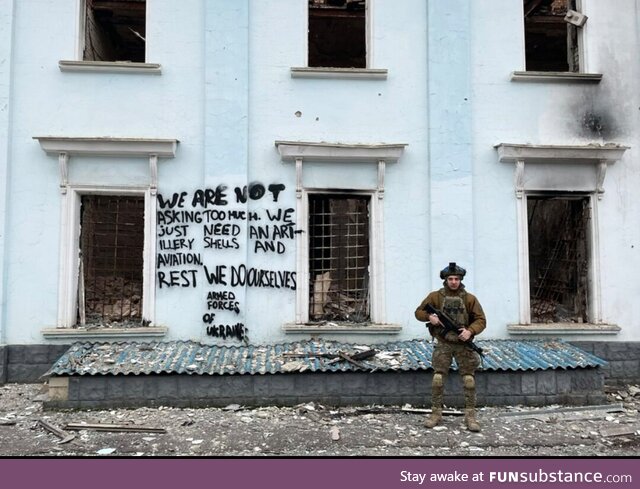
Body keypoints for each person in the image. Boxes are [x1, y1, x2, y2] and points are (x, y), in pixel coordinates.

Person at [414, 262, 486, 432]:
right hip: (444, 343)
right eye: (450, 279)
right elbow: (418, 312)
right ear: (445, 280)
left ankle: (470, 416)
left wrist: (470, 331)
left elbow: (481, 320)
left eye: (456, 279)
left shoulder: (469, 299)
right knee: (438, 378)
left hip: (462, 345)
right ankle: (436, 414)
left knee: (469, 380)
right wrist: (429, 317)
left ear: (461, 280)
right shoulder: (435, 297)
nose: (454, 282)